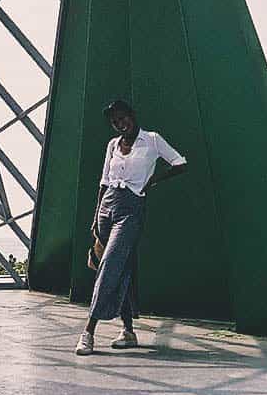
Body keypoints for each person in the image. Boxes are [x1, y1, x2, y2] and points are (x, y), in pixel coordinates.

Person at [75, 99, 187, 355]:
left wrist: (152, 181)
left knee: (111, 263)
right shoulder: (112, 145)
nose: (120, 124)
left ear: (133, 116)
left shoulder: (153, 140)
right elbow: (104, 182)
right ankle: (128, 331)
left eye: (123, 118)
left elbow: (180, 163)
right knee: (120, 267)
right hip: (107, 207)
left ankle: (88, 331)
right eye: (115, 121)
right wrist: (95, 218)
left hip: (131, 208)